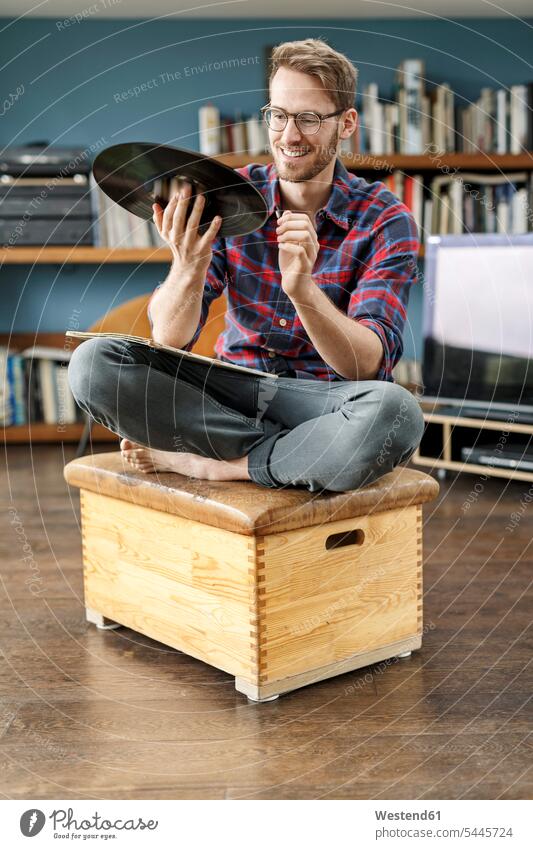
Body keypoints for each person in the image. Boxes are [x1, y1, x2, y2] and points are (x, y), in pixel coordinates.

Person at [68, 37, 424, 493]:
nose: (289, 135)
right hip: (228, 389)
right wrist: (188, 264)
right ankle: (293, 455)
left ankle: (216, 462)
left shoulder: (386, 219)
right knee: (93, 365)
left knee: (396, 414)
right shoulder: (228, 195)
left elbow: (366, 366)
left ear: (347, 123)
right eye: (278, 115)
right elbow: (169, 338)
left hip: (324, 401)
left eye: (310, 119)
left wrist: (303, 291)